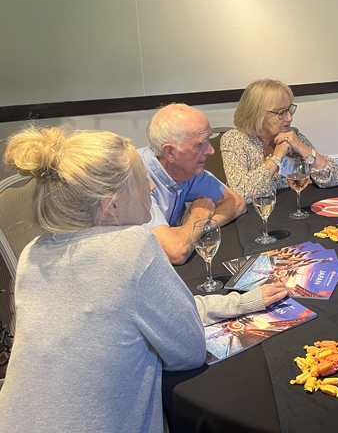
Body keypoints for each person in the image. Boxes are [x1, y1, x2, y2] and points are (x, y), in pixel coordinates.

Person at [0, 127, 287, 433]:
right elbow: (188, 353)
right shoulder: (132, 246)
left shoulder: (33, 253)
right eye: (140, 180)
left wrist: (239, 303)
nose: (151, 186)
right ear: (110, 205)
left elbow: (138, 314)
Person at [140, 104, 247, 265]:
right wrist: (199, 214)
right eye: (200, 144)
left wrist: (195, 229)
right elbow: (176, 252)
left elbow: (237, 203)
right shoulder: (137, 180)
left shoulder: (188, 170)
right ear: (169, 152)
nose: (211, 151)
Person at [220, 79, 338, 199]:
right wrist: (277, 156)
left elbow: (334, 179)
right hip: (258, 210)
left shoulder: (292, 135)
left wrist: (302, 148)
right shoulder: (234, 140)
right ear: (257, 114)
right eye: (281, 112)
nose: (289, 118)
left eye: (289, 110)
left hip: (291, 206)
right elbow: (240, 194)